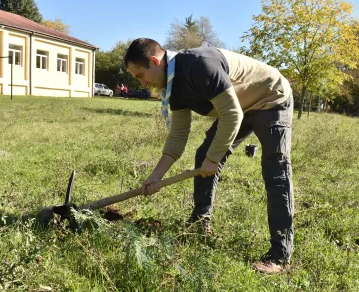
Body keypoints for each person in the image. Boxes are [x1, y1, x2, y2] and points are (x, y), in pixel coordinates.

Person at [123, 38, 294, 274]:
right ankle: (199, 223)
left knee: (275, 170)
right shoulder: (173, 86)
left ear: (154, 61)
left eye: (140, 75)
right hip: (241, 106)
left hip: (270, 97)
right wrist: (156, 176)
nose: (142, 83)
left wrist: (214, 159)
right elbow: (178, 135)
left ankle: (280, 255)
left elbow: (231, 114)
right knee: (203, 153)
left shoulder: (199, 65)